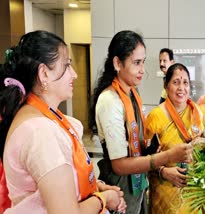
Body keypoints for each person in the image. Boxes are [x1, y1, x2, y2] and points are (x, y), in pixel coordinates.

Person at [0, 30, 126, 213]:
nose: (74, 74)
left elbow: (59, 184)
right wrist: (103, 199)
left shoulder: (44, 117)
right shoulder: (39, 131)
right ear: (44, 73)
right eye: (67, 66)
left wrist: (95, 187)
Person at [91, 31, 193, 214]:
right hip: (119, 193)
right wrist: (167, 157)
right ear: (117, 63)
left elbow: (135, 146)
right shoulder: (110, 101)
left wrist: (150, 149)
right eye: (136, 63)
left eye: (143, 62)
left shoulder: (132, 94)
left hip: (137, 187)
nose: (142, 70)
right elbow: (119, 165)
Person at [145, 63, 204, 213]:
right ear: (166, 86)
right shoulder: (156, 116)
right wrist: (163, 171)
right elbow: (143, 158)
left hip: (193, 191)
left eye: (185, 83)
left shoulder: (197, 112)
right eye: (176, 82)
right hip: (164, 192)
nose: (181, 88)